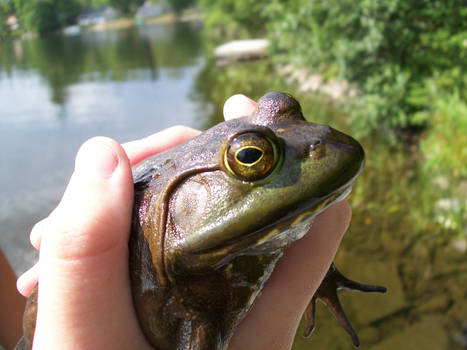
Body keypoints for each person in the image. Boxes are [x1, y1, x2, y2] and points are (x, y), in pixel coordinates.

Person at [13, 94, 351, 350]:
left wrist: (318, 270)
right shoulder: (196, 301)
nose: (315, 143)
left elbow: (279, 229)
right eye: (252, 157)